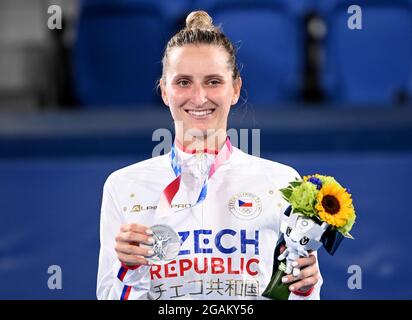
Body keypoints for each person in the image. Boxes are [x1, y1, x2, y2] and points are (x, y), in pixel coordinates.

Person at [97, 10, 322, 300]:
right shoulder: (124, 186)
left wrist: (304, 290)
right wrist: (131, 271)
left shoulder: (281, 182)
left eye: (213, 82)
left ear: (235, 89)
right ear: (165, 91)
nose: (200, 98)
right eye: (183, 82)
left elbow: (295, 294)